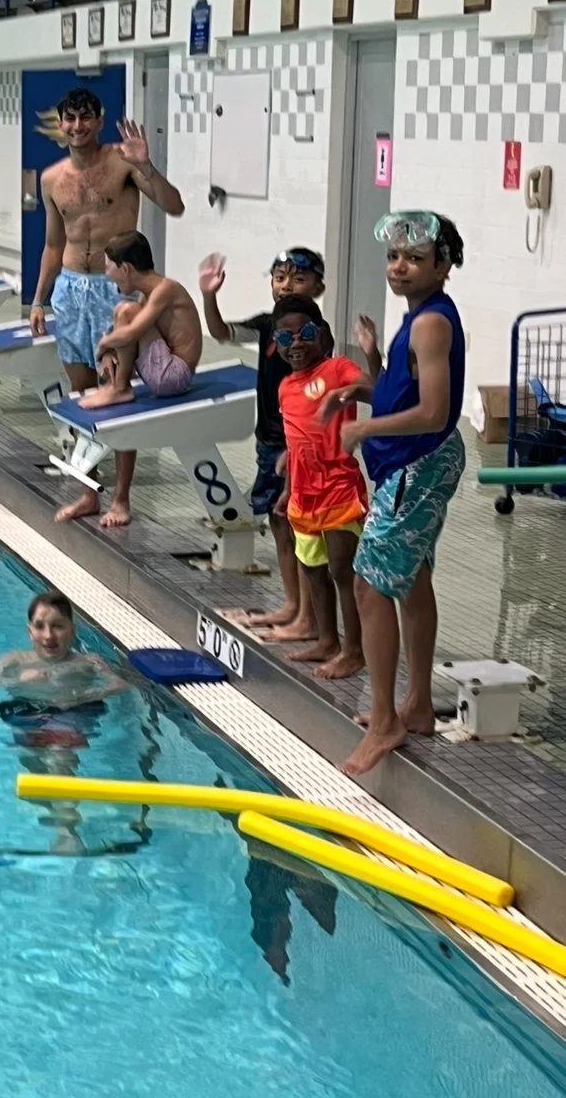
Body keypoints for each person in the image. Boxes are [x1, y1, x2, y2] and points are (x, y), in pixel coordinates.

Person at [320, 212, 466, 777]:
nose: (399, 267)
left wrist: (363, 429)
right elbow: (406, 389)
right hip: (421, 462)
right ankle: (418, 705)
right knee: (412, 579)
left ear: (443, 265)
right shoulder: (420, 318)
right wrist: (366, 379)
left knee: (367, 586)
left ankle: (385, 721)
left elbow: (431, 410)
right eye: (393, 257)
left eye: (414, 258)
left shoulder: (431, 323)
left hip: (415, 465)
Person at [27, 88, 185, 529]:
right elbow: (54, 244)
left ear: (98, 120)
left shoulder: (122, 163)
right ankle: (88, 491)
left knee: (117, 391)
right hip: (71, 292)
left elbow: (175, 206)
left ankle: (122, 497)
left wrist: (146, 166)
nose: (76, 126)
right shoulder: (51, 178)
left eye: (84, 118)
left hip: (116, 290)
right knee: (82, 395)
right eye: (69, 119)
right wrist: (39, 299)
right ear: (62, 125)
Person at [199, 246, 329, 640]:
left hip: (296, 444)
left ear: (319, 287)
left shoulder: (315, 334)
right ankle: (294, 605)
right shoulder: (268, 324)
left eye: (298, 278)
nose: (286, 284)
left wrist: (299, 447)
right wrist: (209, 296)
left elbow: (319, 393)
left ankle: (310, 617)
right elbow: (222, 333)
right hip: (270, 440)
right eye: (279, 277)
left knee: (303, 528)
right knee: (279, 522)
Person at [0, 590, 127, 850]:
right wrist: (18, 680)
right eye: (40, 626)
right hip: (27, 713)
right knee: (35, 768)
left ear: (72, 630)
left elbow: (120, 685)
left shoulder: (88, 662)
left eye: (58, 626)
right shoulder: (13, 660)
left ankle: (67, 831)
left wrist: (83, 695)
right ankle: (55, 813)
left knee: (60, 757)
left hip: (71, 713)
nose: (49, 635)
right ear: (29, 631)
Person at [269, 295, 368, 680]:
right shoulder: (285, 388)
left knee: (344, 569)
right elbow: (295, 443)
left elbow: (369, 388)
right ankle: (327, 639)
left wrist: (350, 389)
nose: (297, 343)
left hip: (339, 486)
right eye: (287, 336)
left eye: (306, 333)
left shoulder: (338, 368)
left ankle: (354, 650)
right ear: (276, 343)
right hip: (303, 495)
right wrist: (288, 490)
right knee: (313, 568)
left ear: (323, 334)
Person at [79, 230, 201, 409]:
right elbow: (124, 334)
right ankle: (117, 385)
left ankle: (120, 388)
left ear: (126, 269)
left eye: (109, 267)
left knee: (125, 311)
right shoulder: (147, 297)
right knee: (125, 313)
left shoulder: (166, 290)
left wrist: (103, 345)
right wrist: (109, 354)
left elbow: (131, 333)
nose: (107, 274)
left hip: (175, 375)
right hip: (167, 374)